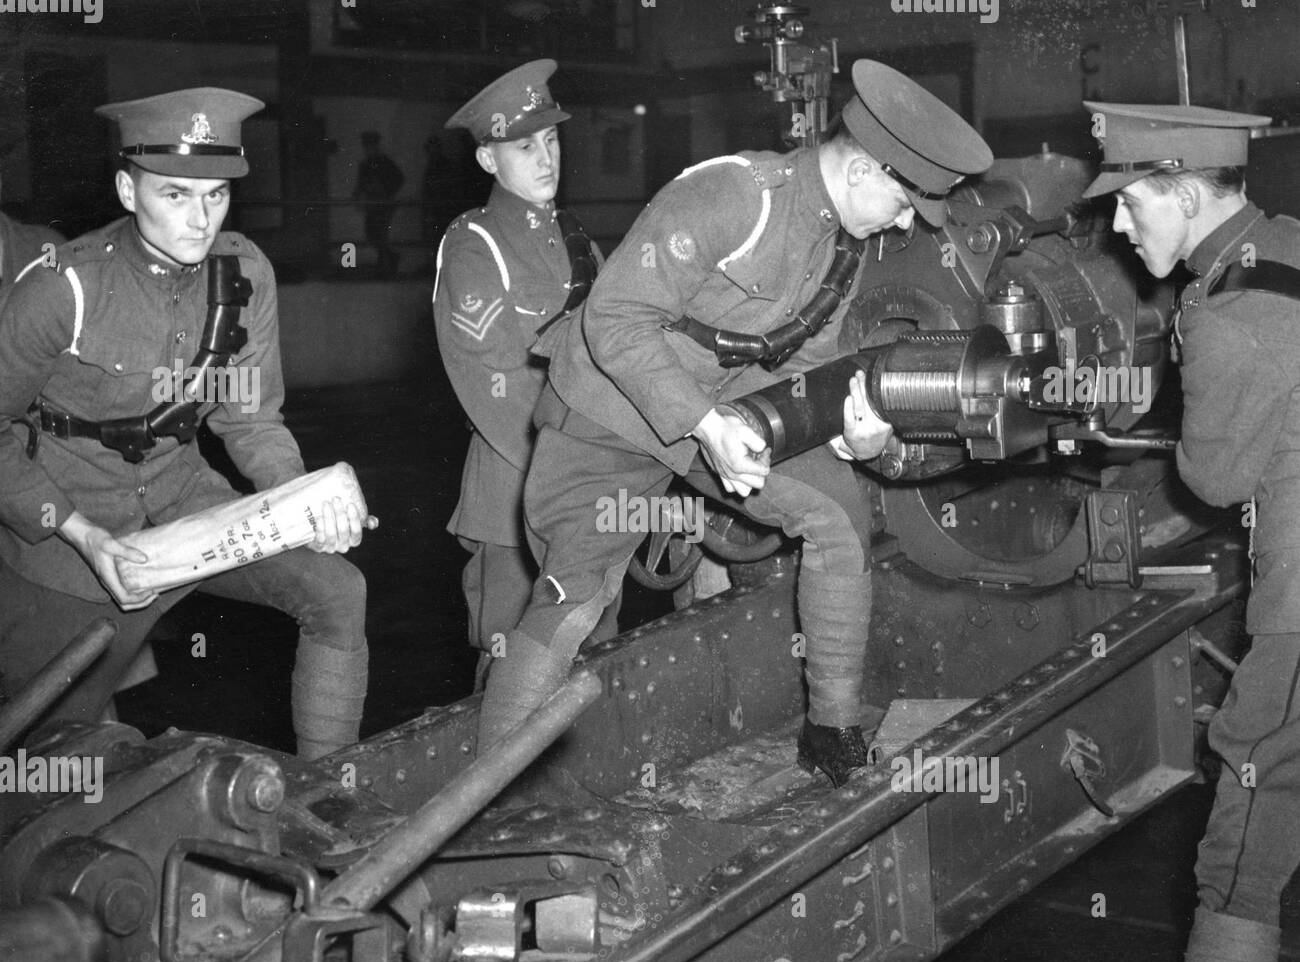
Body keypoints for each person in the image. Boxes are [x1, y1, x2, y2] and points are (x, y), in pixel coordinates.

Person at [477, 59, 992, 787]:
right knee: (574, 600)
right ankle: (488, 802)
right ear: (863, 172)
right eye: (906, 202)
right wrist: (706, 424)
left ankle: (833, 734)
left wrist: (846, 432)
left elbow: (800, 366)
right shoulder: (732, 195)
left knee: (838, 513)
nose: (905, 221)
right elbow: (613, 319)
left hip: (715, 409)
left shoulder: (843, 244)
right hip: (609, 408)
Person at [0, 87, 370, 760]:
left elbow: (251, 421)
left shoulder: (245, 273)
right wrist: (81, 534)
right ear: (126, 188)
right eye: (176, 195)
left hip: (184, 499)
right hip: (66, 535)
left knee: (337, 591)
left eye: (217, 196)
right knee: (54, 763)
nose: (201, 220)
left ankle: (328, 789)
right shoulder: (64, 287)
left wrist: (300, 501)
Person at [1082, 101, 1299, 962]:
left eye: (1132, 205)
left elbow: (1214, 475)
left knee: (1248, 812)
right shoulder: (1287, 244)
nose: (1118, 228)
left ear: (1180, 190)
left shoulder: (1233, 309)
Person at [435, 59, 612, 691]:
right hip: (515, 494)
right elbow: (491, 382)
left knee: (590, 651)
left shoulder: (577, 240)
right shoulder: (473, 245)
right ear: (488, 160)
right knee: (512, 668)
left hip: (588, 485)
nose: (546, 158)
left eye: (553, 140)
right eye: (524, 145)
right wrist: (569, 466)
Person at [355, 130, 404, 278]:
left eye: (370, 145)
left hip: (383, 205)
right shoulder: (364, 165)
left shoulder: (385, 162)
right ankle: (387, 260)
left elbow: (399, 179)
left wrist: (385, 191)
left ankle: (385, 265)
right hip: (372, 206)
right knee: (371, 235)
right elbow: (360, 184)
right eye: (366, 146)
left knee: (380, 235)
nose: (368, 149)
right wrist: (357, 196)